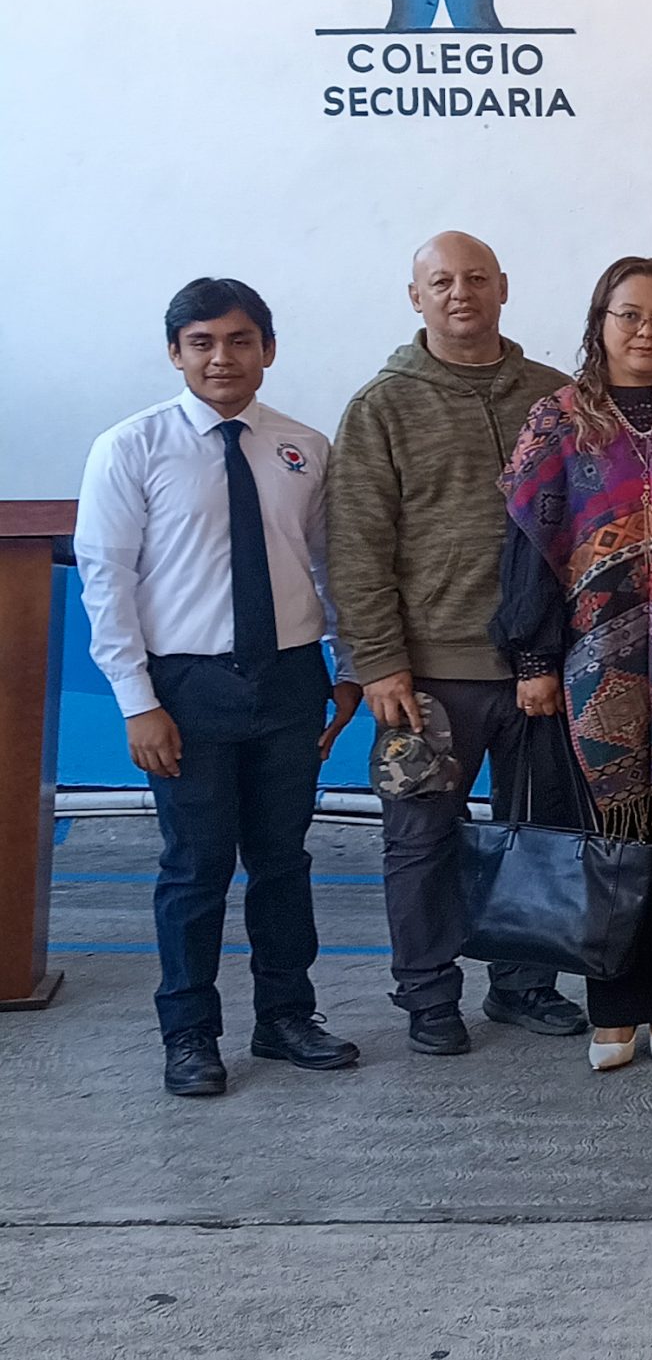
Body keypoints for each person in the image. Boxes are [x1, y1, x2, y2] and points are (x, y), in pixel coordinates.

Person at [76, 279, 365, 1096]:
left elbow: (331, 565)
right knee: (196, 866)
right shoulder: (130, 447)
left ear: (267, 349)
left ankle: (286, 1015)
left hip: (289, 678)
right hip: (187, 686)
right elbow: (107, 578)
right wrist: (138, 701)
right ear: (175, 353)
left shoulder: (303, 446)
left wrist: (347, 667)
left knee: (283, 860)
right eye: (201, 342)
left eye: (240, 340)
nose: (221, 358)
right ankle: (190, 1033)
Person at [329, 232, 588, 1054]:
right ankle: (428, 995)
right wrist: (379, 661)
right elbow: (356, 543)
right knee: (420, 840)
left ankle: (523, 983)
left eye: (476, 278)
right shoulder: (382, 406)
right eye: (440, 282)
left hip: (541, 668)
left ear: (503, 286)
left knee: (537, 832)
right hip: (428, 676)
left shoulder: (556, 396)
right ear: (416, 297)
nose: (460, 293)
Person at [495, 258, 652, 1072]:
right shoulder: (559, 418)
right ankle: (614, 1008)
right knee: (607, 835)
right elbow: (528, 544)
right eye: (629, 314)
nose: (646, 331)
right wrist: (532, 656)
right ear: (600, 320)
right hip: (590, 657)